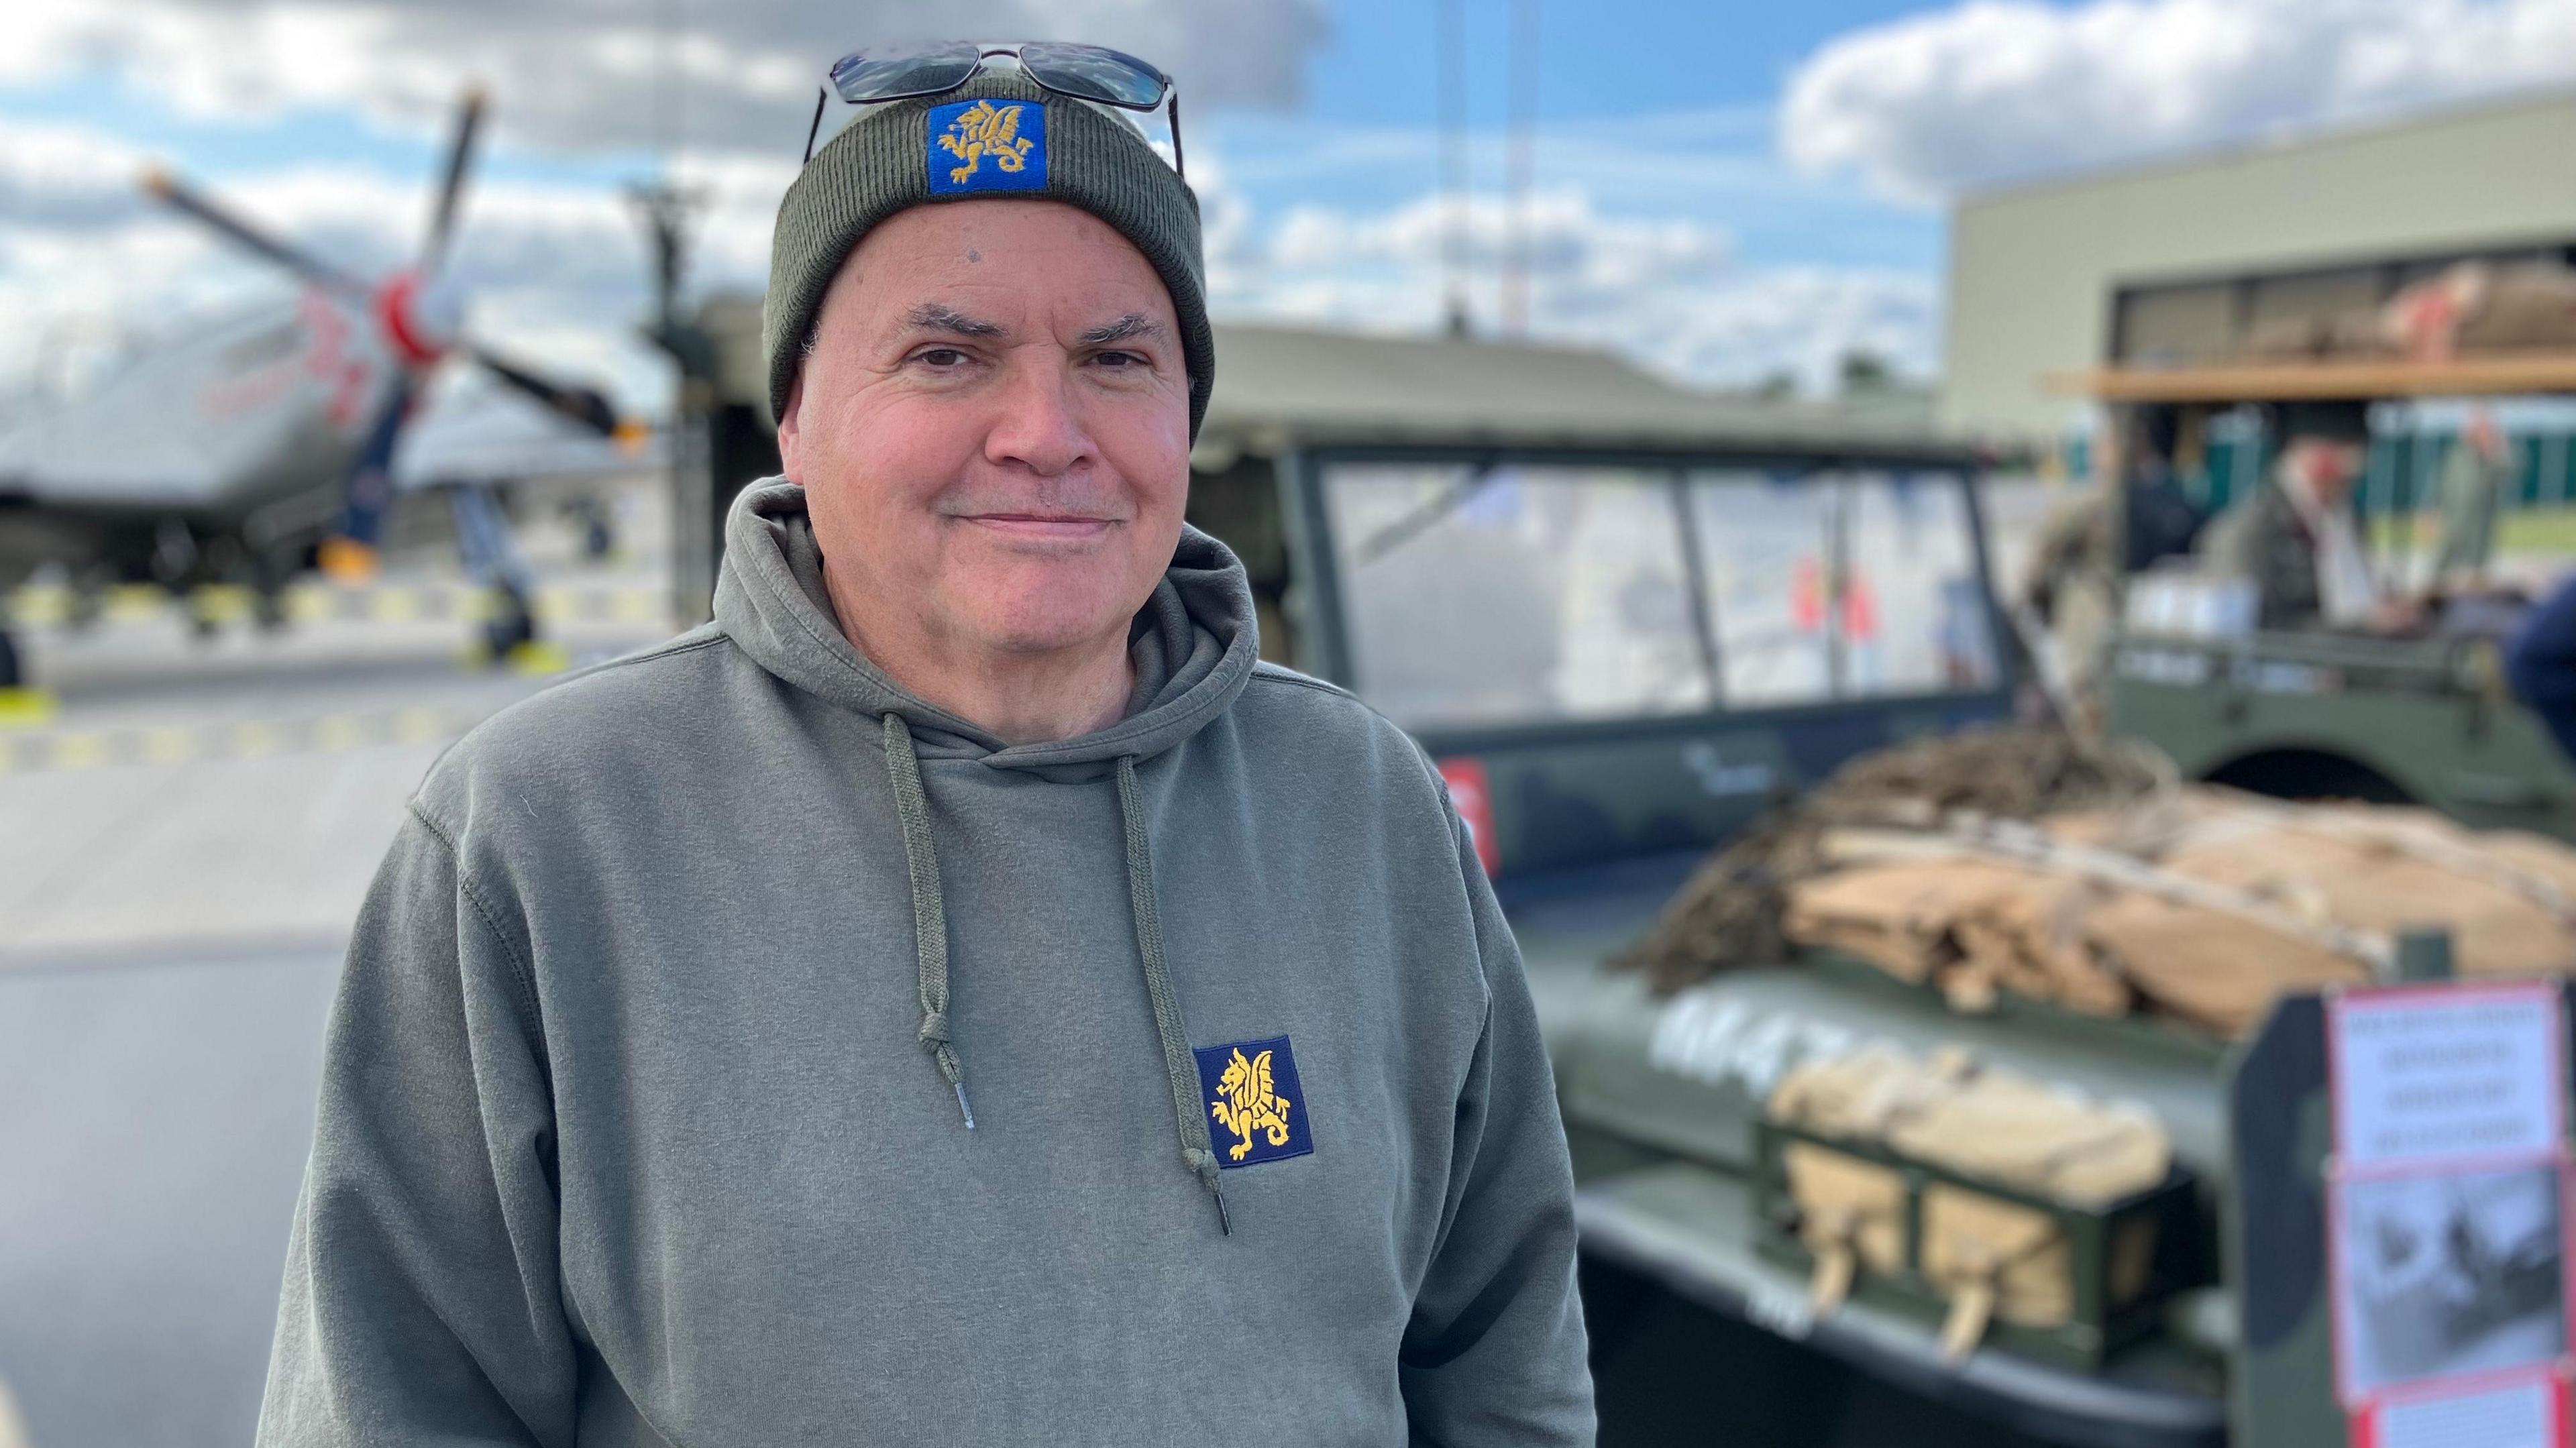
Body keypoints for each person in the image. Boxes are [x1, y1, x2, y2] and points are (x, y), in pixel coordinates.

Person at [254, 50, 1593, 1447]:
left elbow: (1505, 1349)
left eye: (1117, 359)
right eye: (947, 356)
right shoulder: (537, 838)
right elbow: (389, 1405)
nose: (1046, 434)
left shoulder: (1367, 807)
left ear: (1186, 413)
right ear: (796, 416)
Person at [2199, 400, 2380, 629]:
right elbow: (2258, 628)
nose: (2348, 482)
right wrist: (2364, 627)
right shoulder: (2251, 532)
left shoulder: (2343, 517)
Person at [2431, 406, 2512, 585]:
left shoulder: (2492, 455)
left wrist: (2495, 449)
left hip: (2480, 520)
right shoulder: (2458, 454)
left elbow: (2509, 469)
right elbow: (2442, 483)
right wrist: (2432, 509)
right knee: (2443, 561)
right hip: (2454, 517)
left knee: (2478, 566)